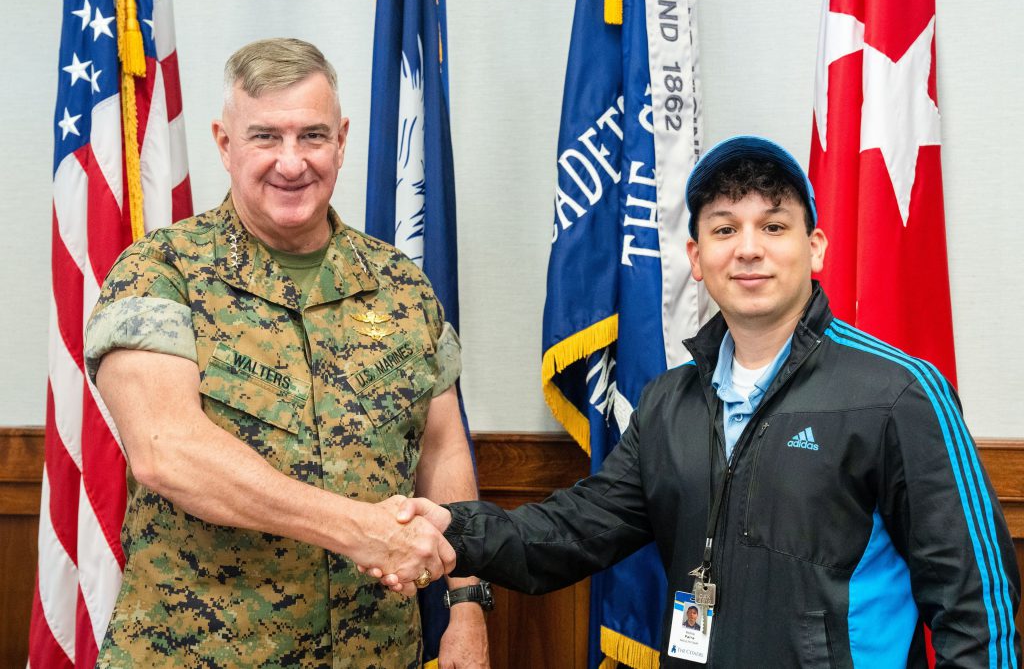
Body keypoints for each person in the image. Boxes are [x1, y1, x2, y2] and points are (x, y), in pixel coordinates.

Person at [382, 136, 1022, 667]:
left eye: (773, 226)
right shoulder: (667, 403)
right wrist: (448, 528)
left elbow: (976, 604)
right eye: (724, 229)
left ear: (815, 247)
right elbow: (570, 533)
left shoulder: (899, 392)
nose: (748, 248)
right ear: (697, 256)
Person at [84, 38, 488, 668]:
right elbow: (169, 452)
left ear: (343, 139)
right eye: (266, 137)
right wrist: (362, 531)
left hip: (376, 653)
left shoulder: (401, 285)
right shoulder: (161, 272)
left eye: (313, 136)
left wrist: (467, 607)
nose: (292, 162)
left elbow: (440, 449)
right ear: (224, 143)